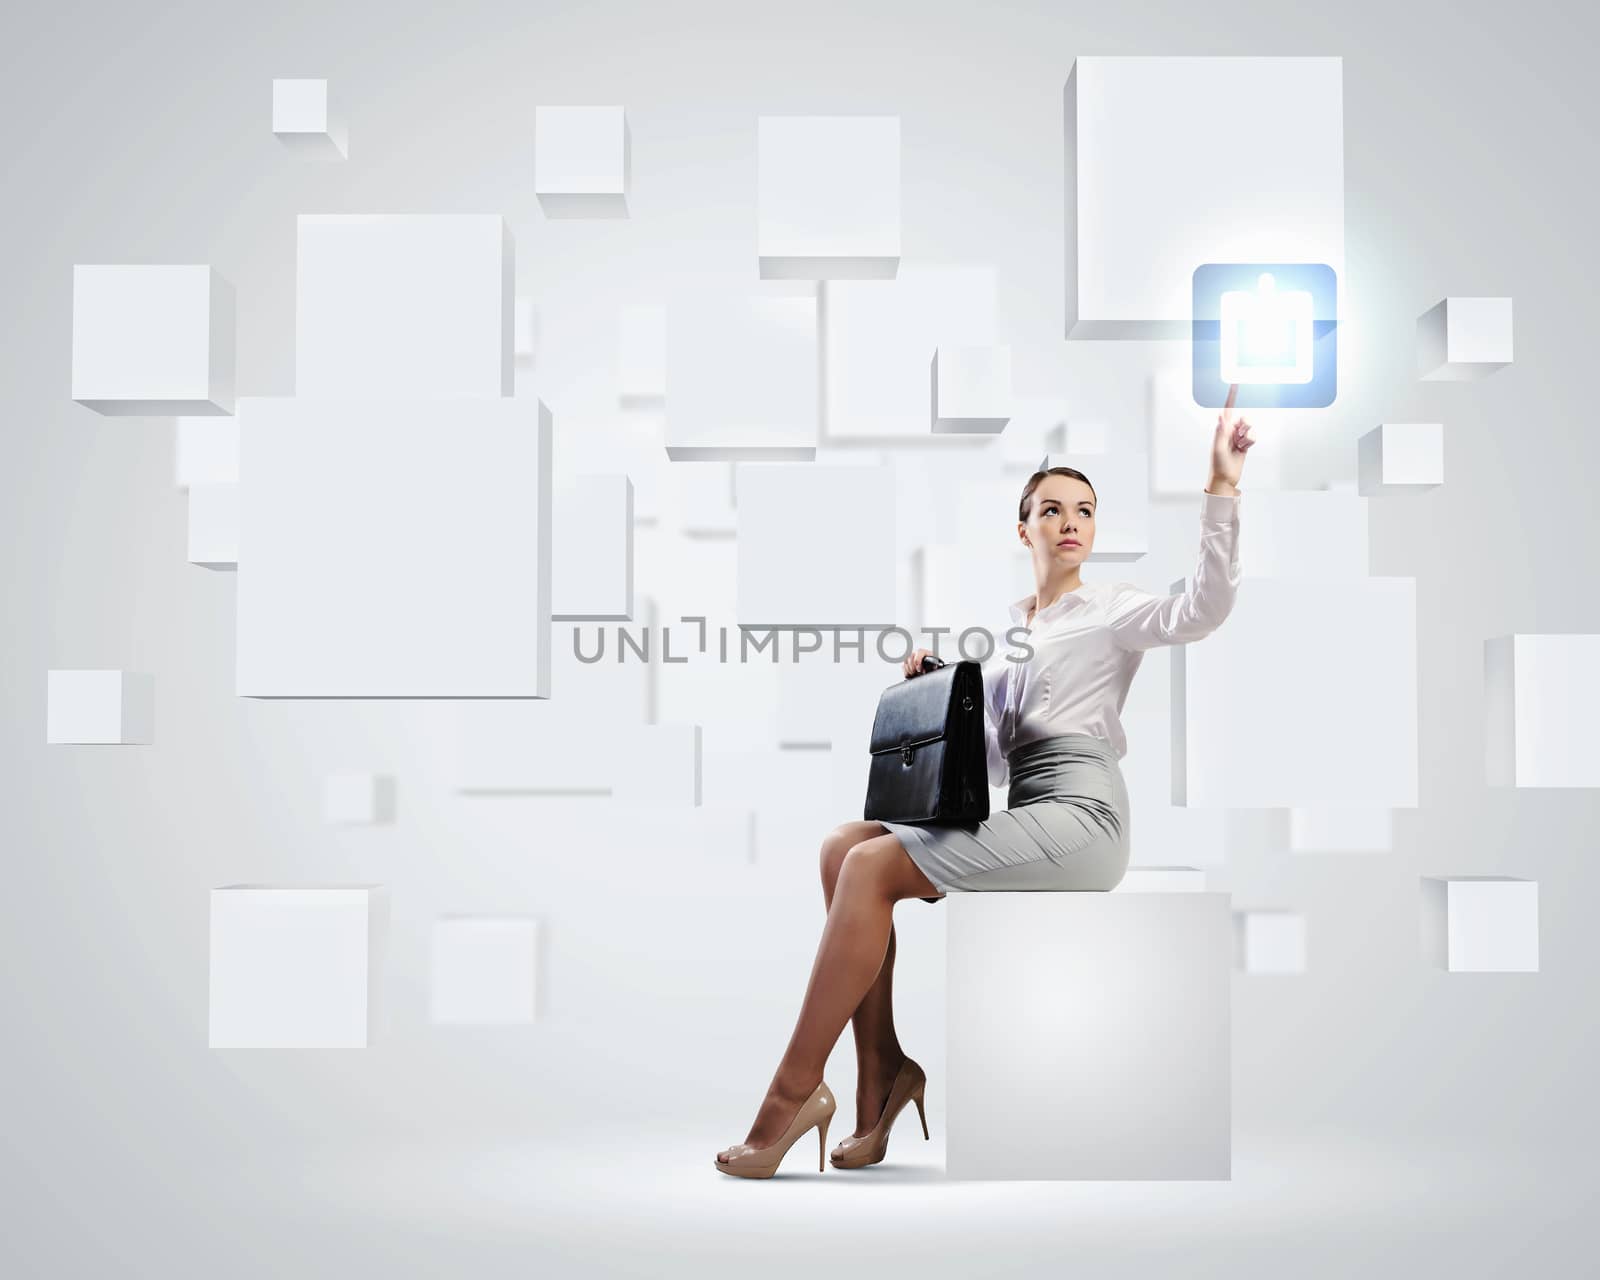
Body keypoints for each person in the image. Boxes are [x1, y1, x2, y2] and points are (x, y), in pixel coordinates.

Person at [713, 390, 1257, 1178]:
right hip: (1031, 806)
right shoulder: (1014, 639)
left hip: (1085, 818)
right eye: (1052, 509)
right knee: (843, 848)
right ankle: (882, 1079)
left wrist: (1222, 487)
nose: (1071, 522)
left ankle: (790, 1094)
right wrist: (939, 689)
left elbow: (1204, 609)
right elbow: (995, 767)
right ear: (1024, 527)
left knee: (870, 867)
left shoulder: (1114, 610)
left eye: (1085, 510)